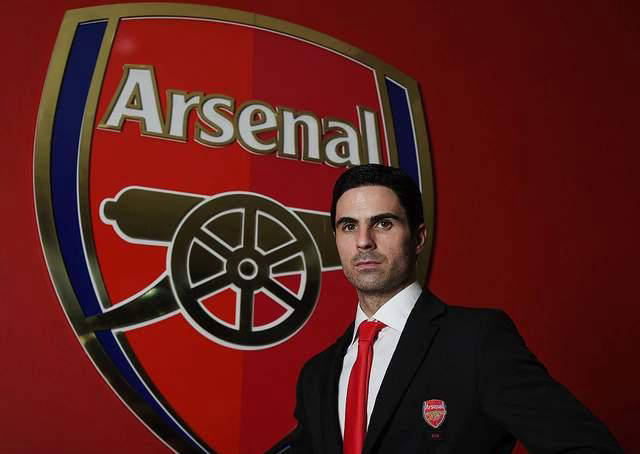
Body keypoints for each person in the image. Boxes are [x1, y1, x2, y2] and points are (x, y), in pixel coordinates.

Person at [277, 164, 622, 454]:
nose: (364, 241)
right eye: (349, 226)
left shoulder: (476, 341)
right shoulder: (317, 375)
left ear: (418, 237)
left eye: (383, 223)